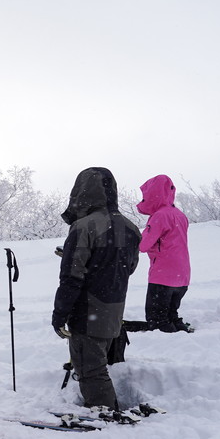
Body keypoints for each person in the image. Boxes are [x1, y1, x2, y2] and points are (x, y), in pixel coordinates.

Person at [52, 167, 142, 410]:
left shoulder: (84, 227)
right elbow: (128, 267)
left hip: (87, 311)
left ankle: (106, 414)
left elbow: (72, 277)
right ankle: (109, 408)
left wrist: (59, 314)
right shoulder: (131, 228)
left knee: (91, 370)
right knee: (98, 365)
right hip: (114, 309)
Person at [136, 174, 192, 332]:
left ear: (153, 195)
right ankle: (183, 334)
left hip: (163, 276)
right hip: (182, 275)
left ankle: (173, 348)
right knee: (171, 315)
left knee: (157, 321)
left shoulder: (159, 216)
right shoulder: (180, 215)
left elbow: (143, 245)